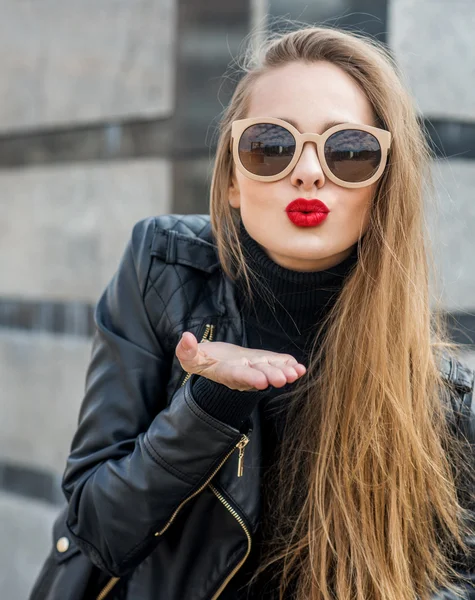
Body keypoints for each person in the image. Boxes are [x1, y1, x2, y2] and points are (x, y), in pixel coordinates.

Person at [31, 25, 474, 600]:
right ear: (234, 179)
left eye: (349, 150)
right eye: (271, 145)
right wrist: (208, 406)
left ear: (385, 185)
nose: (310, 171)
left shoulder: (442, 398)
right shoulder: (164, 271)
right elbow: (96, 528)